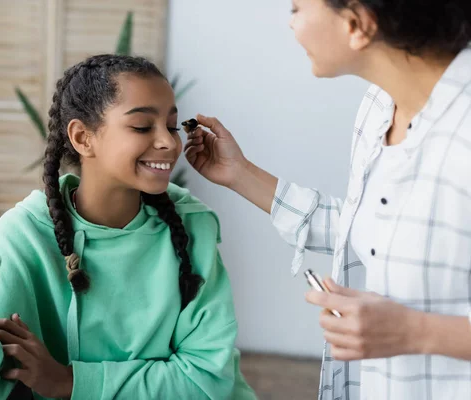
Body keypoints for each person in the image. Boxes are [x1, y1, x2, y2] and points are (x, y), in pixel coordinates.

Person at [0, 55, 256, 399]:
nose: (168, 142)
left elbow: (209, 381)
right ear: (82, 137)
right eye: (142, 126)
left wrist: (70, 382)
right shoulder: (25, 235)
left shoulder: (192, 224)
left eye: (172, 125)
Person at [183, 1, 471, 399]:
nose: (291, 24)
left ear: (357, 24)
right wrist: (240, 173)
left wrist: (414, 331)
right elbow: (377, 233)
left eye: (297, 7)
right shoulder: (378, 107)